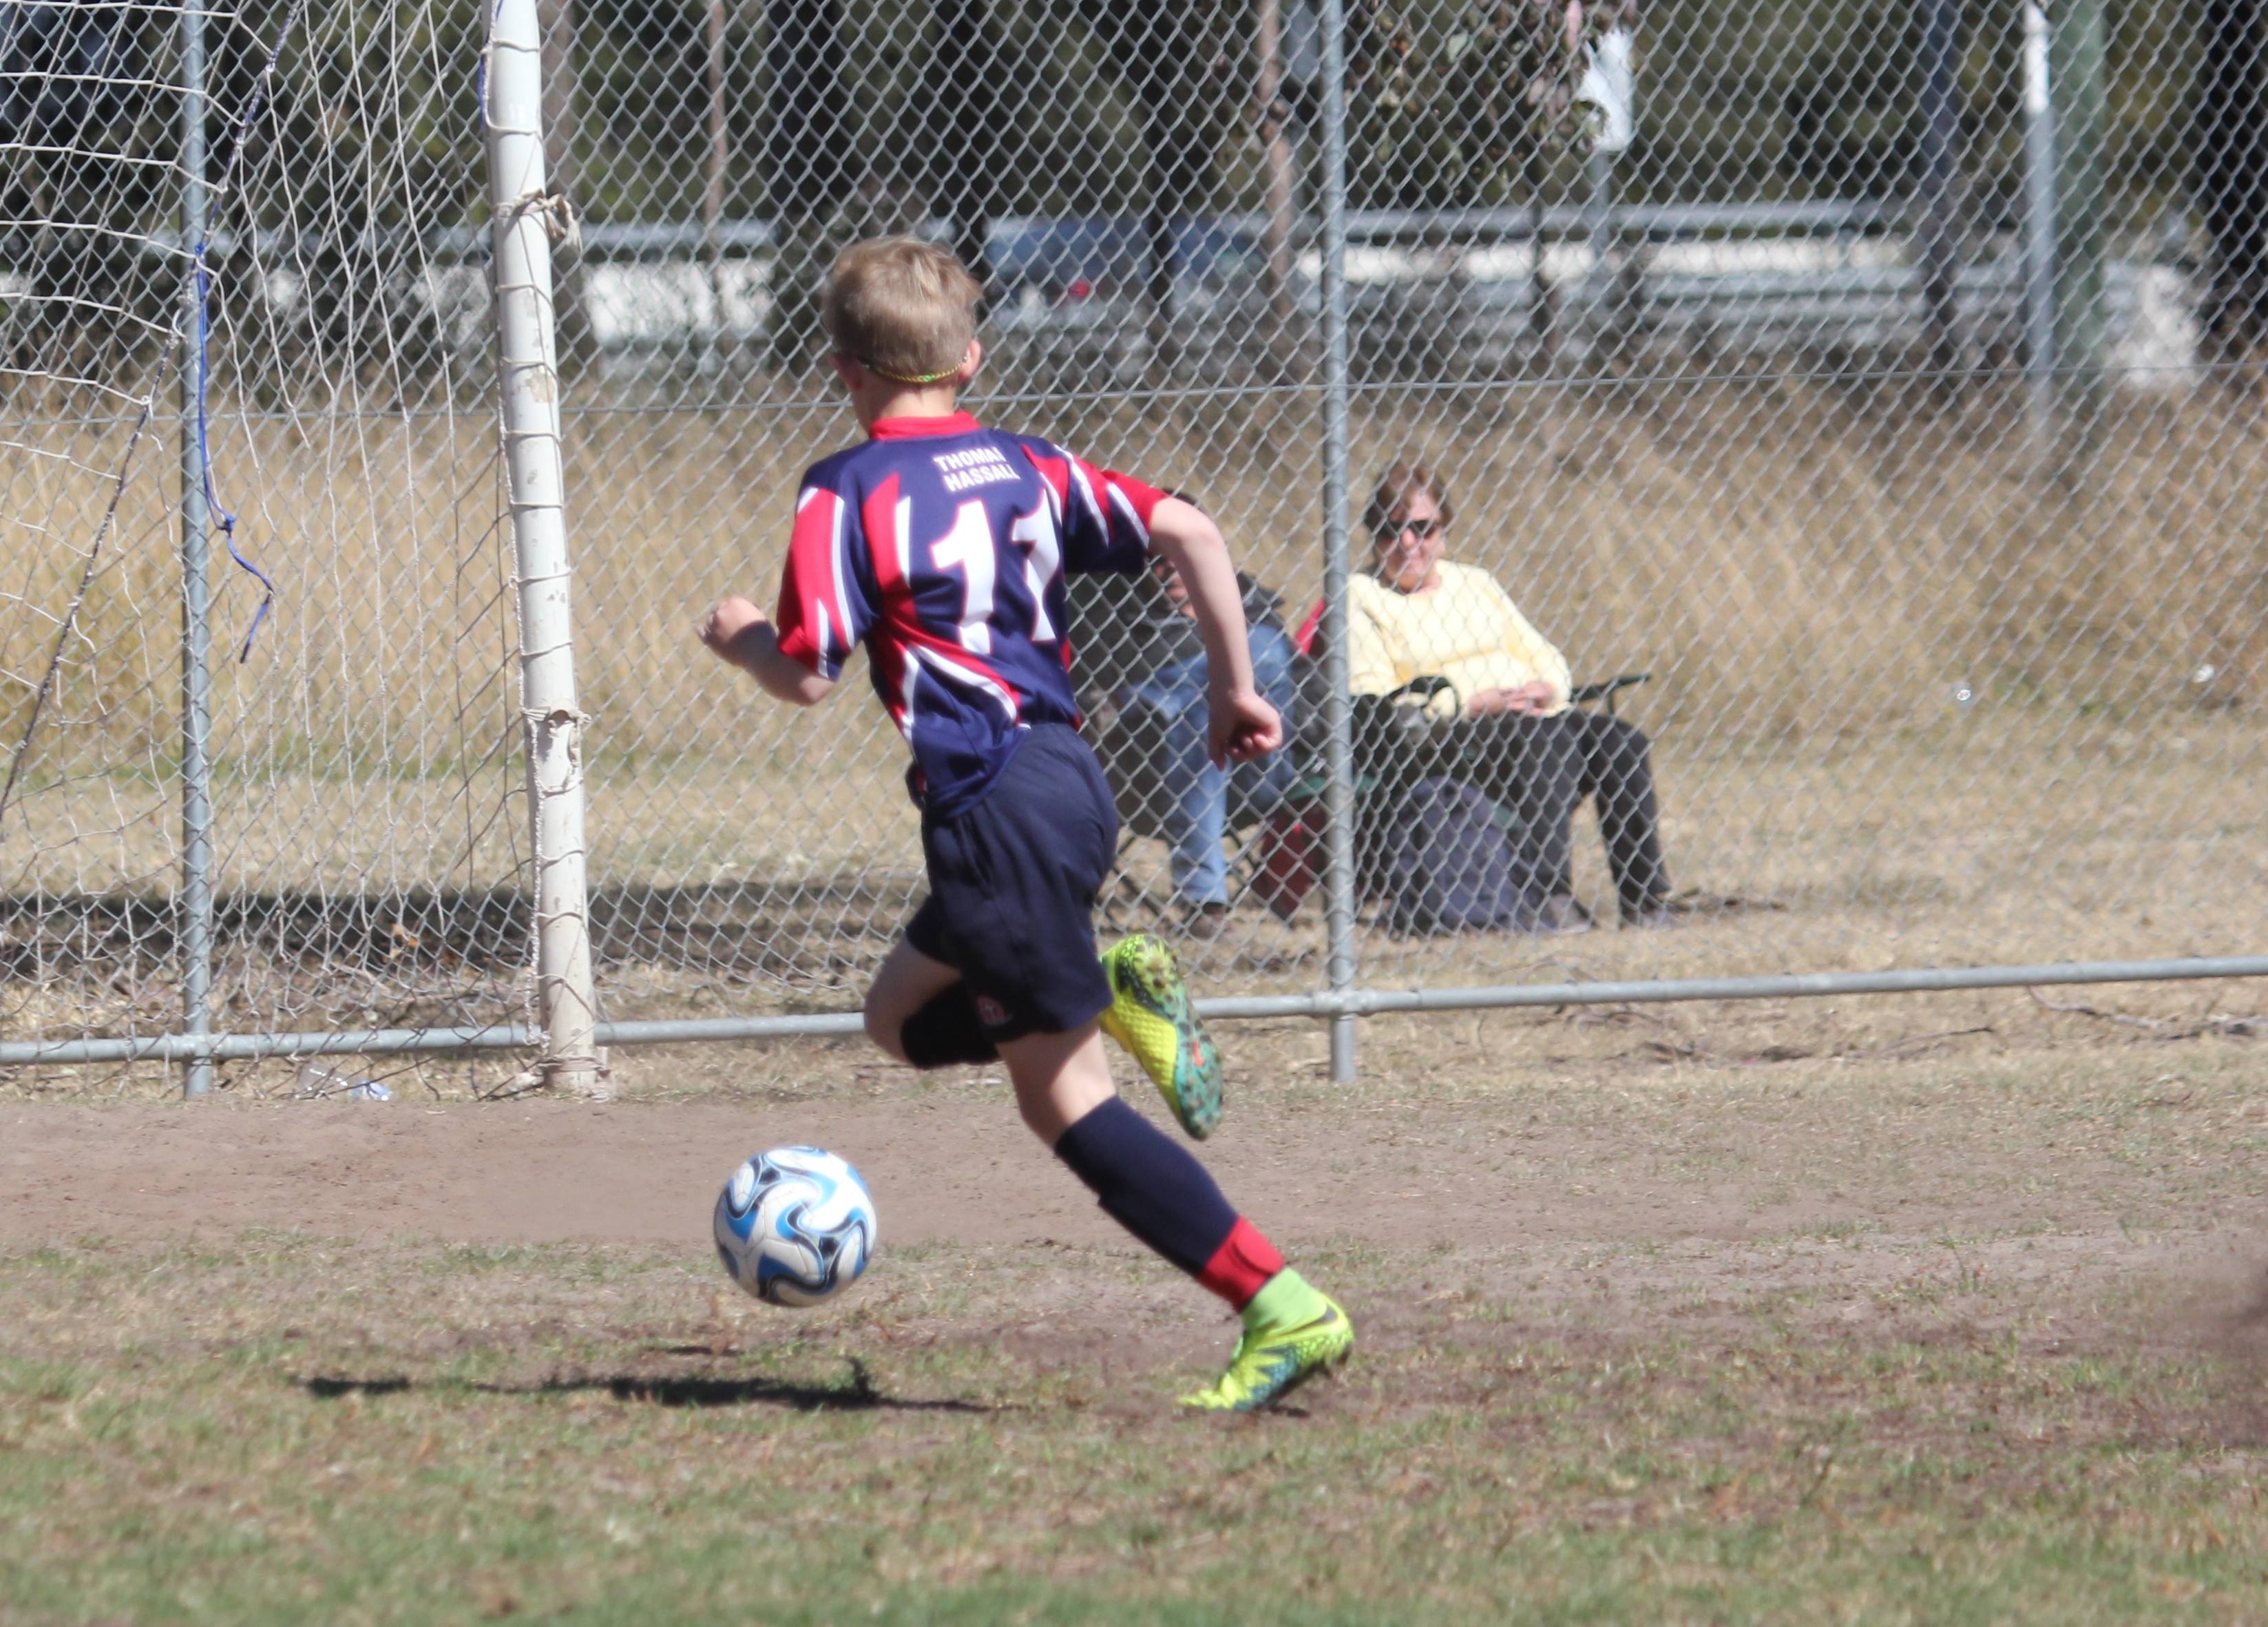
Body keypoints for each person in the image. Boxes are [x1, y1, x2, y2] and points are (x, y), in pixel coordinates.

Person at [697, 236, 1354, 1413]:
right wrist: (1231, 684)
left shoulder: (839, 487)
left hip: (989, 813)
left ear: (842, 371)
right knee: (893, 1019)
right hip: (1066, 778)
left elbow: (805, 672)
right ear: (972, 359)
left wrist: (741, 631)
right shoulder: (1027, 465)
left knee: (1065, 1107)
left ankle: (1276, 1303)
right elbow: (1192, 530)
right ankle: (1102, 978)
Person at [1341, 458, 1670, 929]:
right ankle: (1549, 892)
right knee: (1546, 742)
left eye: (1423, 528)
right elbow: (1375, 699)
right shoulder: (1361, 595)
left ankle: (1646, 901)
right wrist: (1471, 703)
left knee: (1622, 742)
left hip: (1530, 713)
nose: (1408, 544)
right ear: (1373, 534)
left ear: (1444, 529)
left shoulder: (1475, 583)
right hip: (1445, 734)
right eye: (1391, 531)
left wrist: (1547, 686)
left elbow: (1542, 651)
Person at [1081, 556, 1302, 938]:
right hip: (1155, 780)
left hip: (1261, 770)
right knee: (1202, 713)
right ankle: (1205, 901)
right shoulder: (1115, 619)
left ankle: (1155, 693)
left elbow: (1301, 689)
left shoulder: (1256, 612)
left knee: (1263, 649)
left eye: (1180, 558)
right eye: (1155, 562)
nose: (1169, 571)